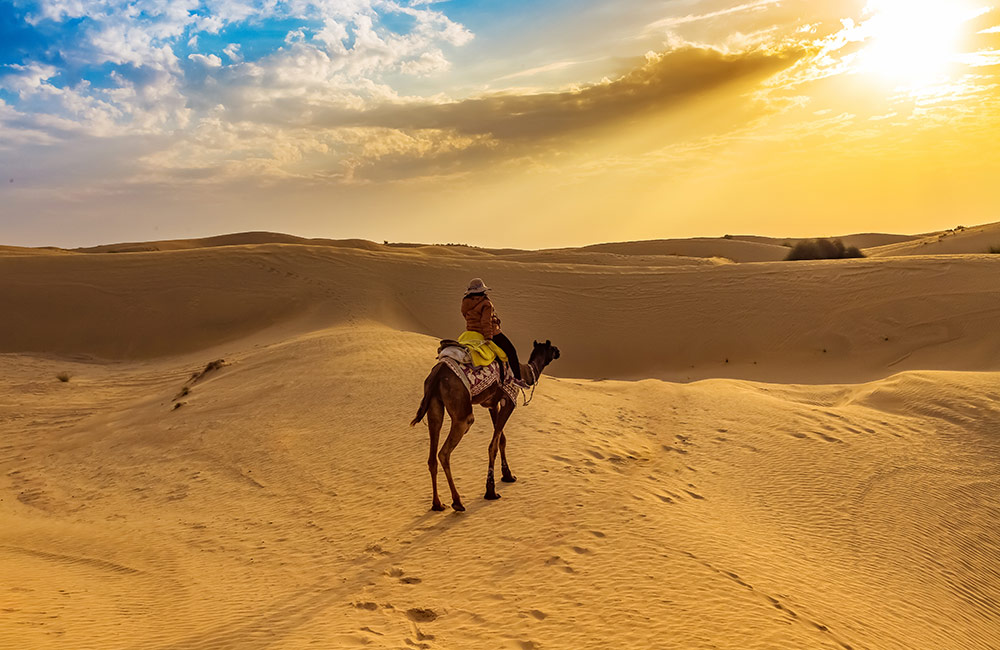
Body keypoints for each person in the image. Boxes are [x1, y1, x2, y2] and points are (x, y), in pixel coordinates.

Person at [461, 278, 527, 387]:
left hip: (471, 332)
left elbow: (465, 316)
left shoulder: (465, 302)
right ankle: (517, 379)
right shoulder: (486, 303)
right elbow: (485, 321)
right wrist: (488, 337)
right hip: (491, 333)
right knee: (511, 351)